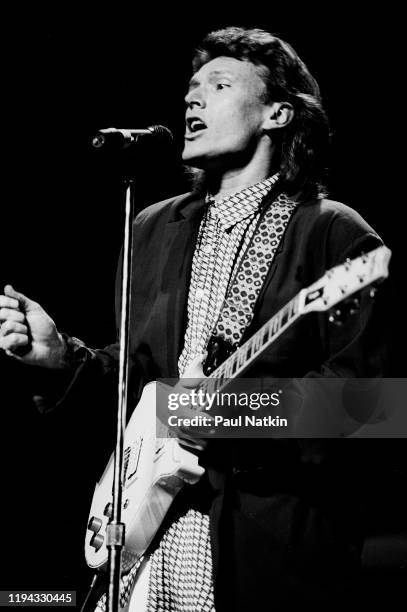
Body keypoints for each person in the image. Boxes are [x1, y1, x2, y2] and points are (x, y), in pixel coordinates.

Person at [0, 26, 389, 611]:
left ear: (278, 114)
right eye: (190, 88)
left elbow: (371, 407)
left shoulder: (333, 232)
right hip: (145, 547)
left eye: (220, 83)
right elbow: (139, 390)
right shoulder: (153, 226)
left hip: (262, 543)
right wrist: (62, 360)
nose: (192, 98)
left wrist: (231, 416)